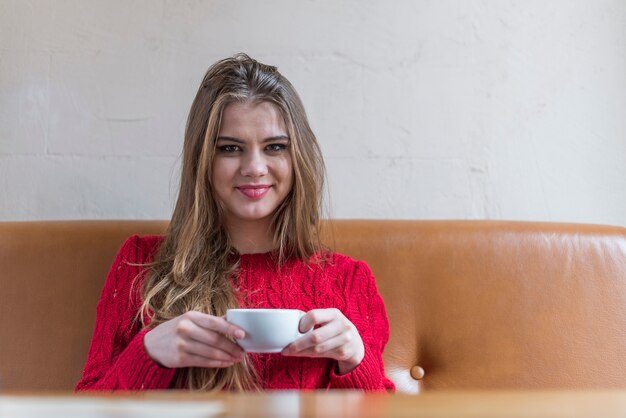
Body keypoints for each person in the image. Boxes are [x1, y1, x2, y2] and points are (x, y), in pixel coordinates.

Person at [76, 54, 395, 392]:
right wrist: (148, 353)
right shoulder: (140, 263)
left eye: (274, 147)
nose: (254, 167)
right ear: (204, 160)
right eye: (230, 148)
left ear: (297, 157)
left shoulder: (349, 281)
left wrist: (356, 361)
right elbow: (88, 407)